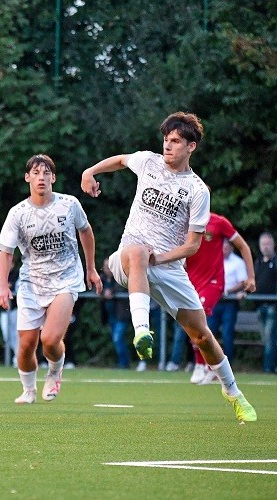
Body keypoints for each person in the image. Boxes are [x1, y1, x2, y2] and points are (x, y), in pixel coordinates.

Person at [81, 111, 257, 421]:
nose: (168, 145)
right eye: (166, 139)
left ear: (191, 146)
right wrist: (90, 171)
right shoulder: (148, 162)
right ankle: (142, 332)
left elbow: (192, 245)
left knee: (202, 336)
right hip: (130, 259)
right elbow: (122, 160)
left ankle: (234, 393)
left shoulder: (197, 190)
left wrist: (158, 258)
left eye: (175, 141)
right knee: (136, 251)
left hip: (169, 268)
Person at [0, 154, 102, 404]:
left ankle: (55, 372)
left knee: (50, 339)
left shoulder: (69, 204)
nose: (41, 177)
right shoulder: (18, 213)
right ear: (27, 178)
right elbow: (6, 252)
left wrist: (91, 268)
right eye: (35, 173)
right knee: (25, 346)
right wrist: (2, 286)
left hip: (66, 279)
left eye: (46, 173)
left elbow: (86, 232)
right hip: (32, 283)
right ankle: (29, 390)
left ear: (53, 177)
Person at [167, 214, 256, 383]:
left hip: (213, 282)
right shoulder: (183, 223)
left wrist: (251, 277)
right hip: (191, 283)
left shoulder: (219, 222)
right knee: (194, 325)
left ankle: (200, 364)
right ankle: (210, 367)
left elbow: (243, 246)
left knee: (196, 320)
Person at [207, 238, 253, 364]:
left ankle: (228, 363)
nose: (224, 250)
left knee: (227, 333)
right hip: (215, 301)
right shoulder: (215, 260)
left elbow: (243, 281)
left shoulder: (238, 262)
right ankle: (210, 362)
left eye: (226, 247)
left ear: (231, 248)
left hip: (230, 302)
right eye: (222, 247)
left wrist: (227, 291)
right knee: (210, 332)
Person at [101, 258, 132, 369]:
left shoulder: (120, 278)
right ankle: (123, 362)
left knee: (117, 338)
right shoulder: (103, 279)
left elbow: (123, 289)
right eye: (106, 267)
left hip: (121, 315)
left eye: (110, 267)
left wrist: (112, 292)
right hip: (110, 316)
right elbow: (96, 288)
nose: (108, 269)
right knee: (117, 339)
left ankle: (124, 363)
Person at [254, 232, 276, 373]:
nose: (266, 247)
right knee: (265, 339)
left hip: (273, 306)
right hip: (259, 305)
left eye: (268, 244)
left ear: (273, 245)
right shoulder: (258, 263)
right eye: (263, 244)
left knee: (269, 338)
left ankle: (268, 368)